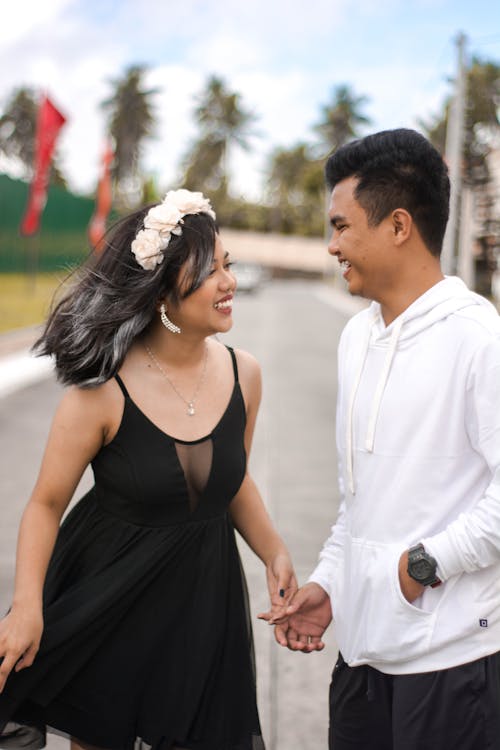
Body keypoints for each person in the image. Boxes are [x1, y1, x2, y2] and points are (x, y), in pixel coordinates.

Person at [0, 189, 296, 750]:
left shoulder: (245, 375)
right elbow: (44, 505)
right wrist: (26, 607)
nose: (229, 282)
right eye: (212, 271)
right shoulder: (100, 396)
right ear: (163, 292)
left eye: (228, 266)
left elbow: (230, 482)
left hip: (206, 606)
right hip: (110, 601)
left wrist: (274, 551)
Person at [262, 129, 500, 749]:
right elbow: (359, 498)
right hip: (362, 661)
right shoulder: (356, 338)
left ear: (399, 225)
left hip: (452, 664)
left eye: (342, 226)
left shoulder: (479, 338)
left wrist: (420, 567)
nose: (332, 245)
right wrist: (332, 586)